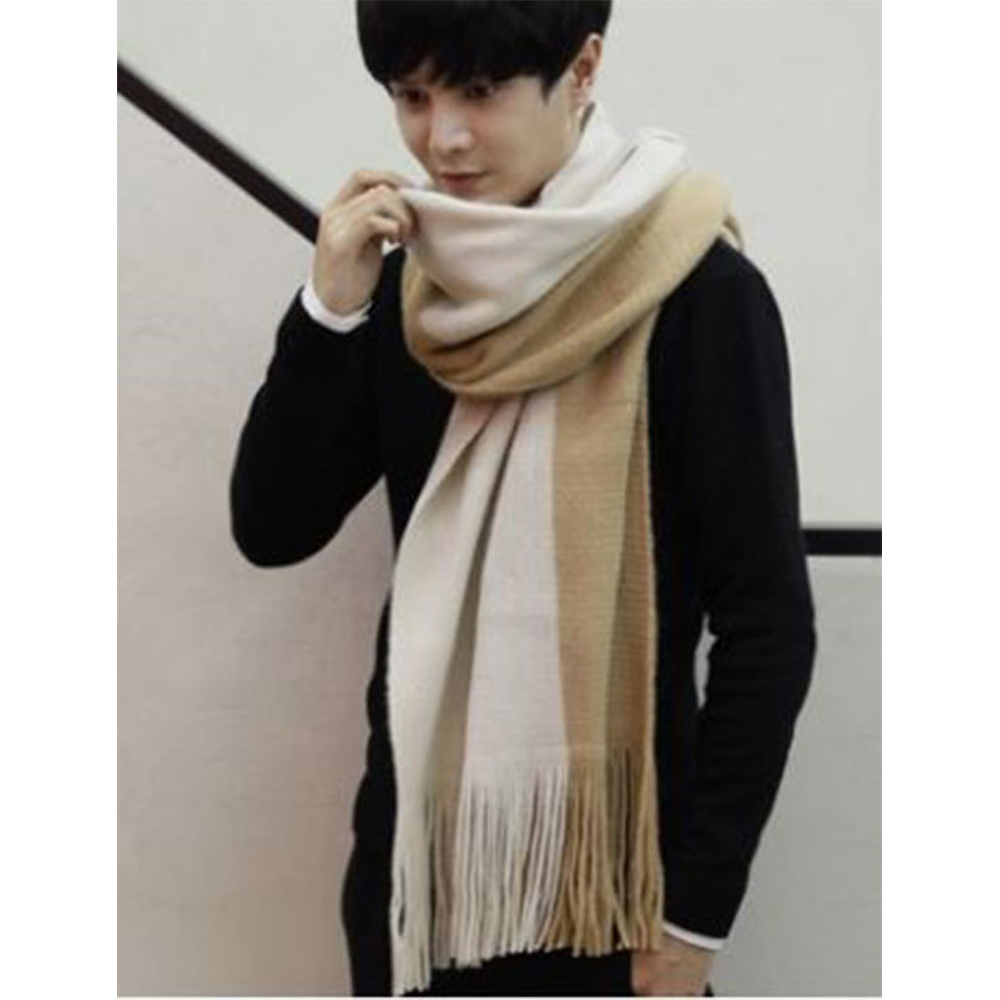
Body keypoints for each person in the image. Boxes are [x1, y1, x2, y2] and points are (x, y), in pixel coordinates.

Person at [229, 1, 816, 996]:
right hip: (415, 887)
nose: (442, 138)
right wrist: (329, 306)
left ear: (582, 69)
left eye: (479, 91)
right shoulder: (411, 290)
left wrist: (694, 916)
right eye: (413, 96)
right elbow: (272, 526)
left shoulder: (698, 293)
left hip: (612, 901)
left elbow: (766, 624)